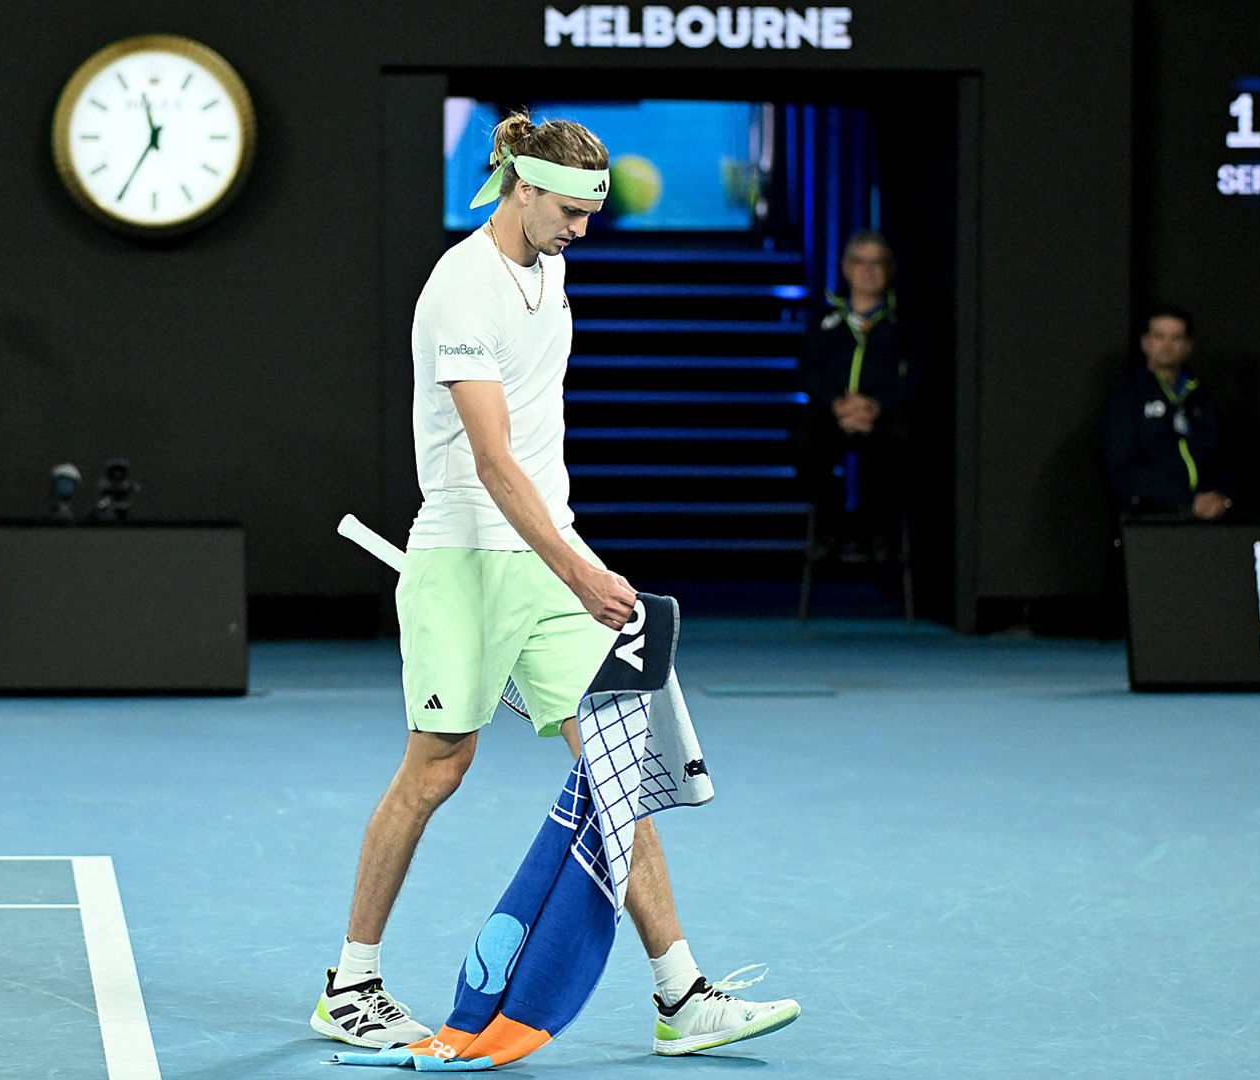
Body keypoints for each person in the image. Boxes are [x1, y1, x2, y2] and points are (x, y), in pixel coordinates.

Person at [309, 109, 799, 1057]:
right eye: (569, 209)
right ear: (520, 189)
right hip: (463, 559)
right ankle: (352, 981)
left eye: (590, 211)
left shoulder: (552, 268)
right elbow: (492, 461)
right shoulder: (460, 288)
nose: (582, 228)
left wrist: (566, 558)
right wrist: (582, 571)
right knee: (439, 767)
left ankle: (679, 993)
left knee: (614, 770)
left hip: (544, 559)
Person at [795, 230, 921, 561]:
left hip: (882, 415)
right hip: (834, 413)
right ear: (846, 268)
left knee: (900, 442)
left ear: (890, 268)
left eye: (877, 262)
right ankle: (830, 527)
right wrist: (840, 404)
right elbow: (808, 371)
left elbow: (915, 375)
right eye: (860, 262)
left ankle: (877, 533)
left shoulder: (903, 322)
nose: (868, 270)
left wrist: (874, 406)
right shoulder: (825, 319)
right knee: (805, 441)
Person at [1100, 306, 1234, 519]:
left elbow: (1224, 455)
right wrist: (1185, 499)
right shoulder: (1128, 398)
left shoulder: (1201, 397)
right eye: (1159, 336)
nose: (1167, 346)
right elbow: (1122, 471)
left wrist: (1222, 497)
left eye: (1176, 338)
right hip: (1150, 518)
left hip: (1207, 519)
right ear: (1145, 343)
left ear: (1188, 346)